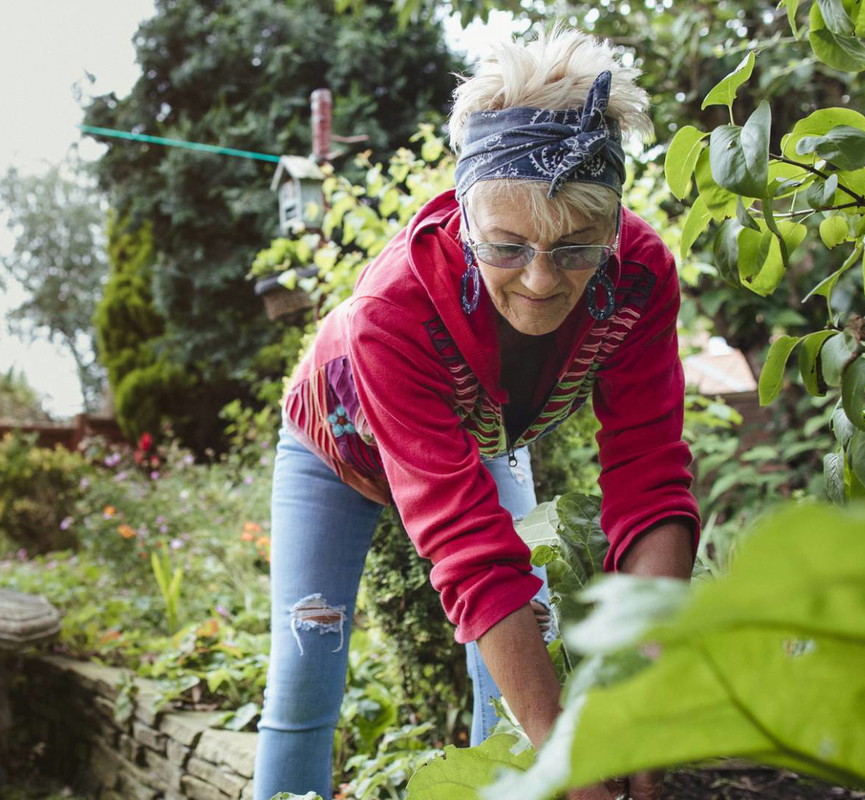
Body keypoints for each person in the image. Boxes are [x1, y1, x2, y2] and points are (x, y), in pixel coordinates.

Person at [253, 28, 700, 800]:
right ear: (465, 217)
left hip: (481, 436)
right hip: (334, 450)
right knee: (306, 668)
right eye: (505, 246)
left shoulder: (639, 277)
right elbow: (468, 551)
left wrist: (643, 702)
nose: (540, 281)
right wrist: (564, 753)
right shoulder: (393, 309)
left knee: (527, 659)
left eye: (576, 249)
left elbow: (650, 478)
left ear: (613, 225)